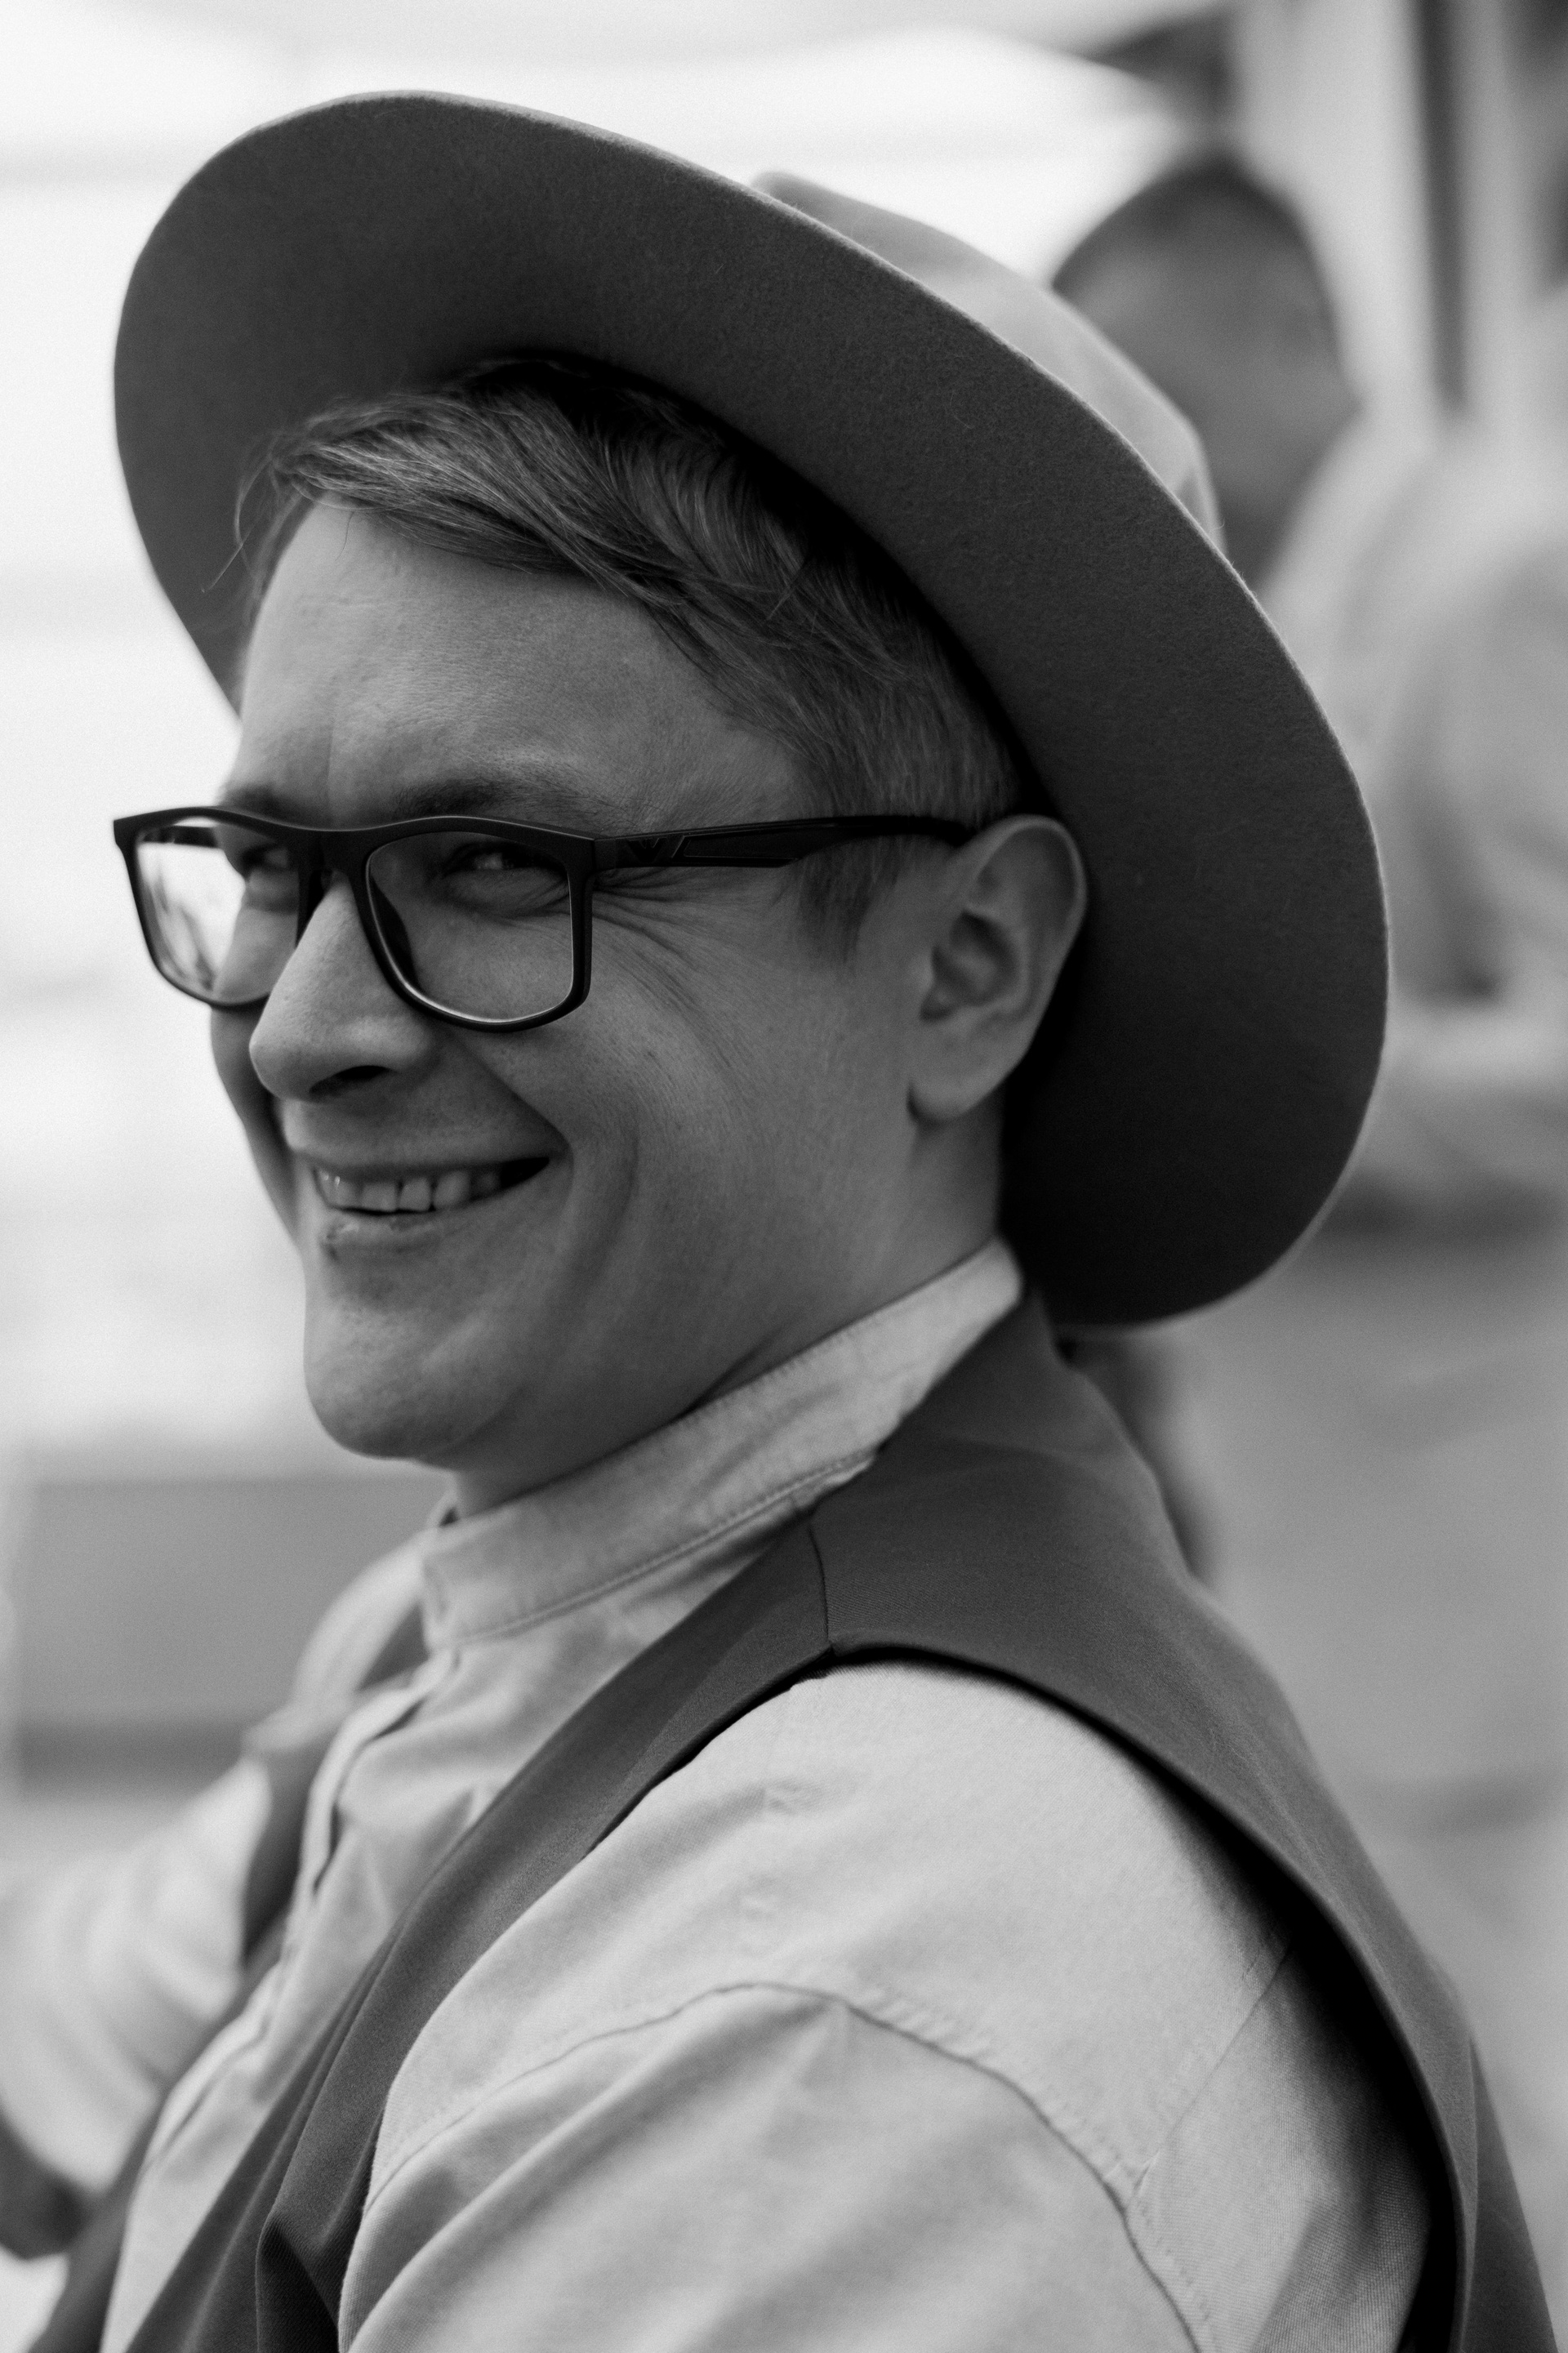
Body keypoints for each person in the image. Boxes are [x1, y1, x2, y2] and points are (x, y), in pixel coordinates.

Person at [0, 100, 1547, 2352]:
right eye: (268, 869)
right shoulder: (507, 1610)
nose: (301, 1027)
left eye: (495, 866)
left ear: (968, 969)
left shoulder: (829, 2005)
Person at [1058, 150, 1568, 2327]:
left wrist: (1267, 1088)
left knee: (1507, 2100)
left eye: (1158, 390)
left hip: (1457, 1522)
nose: (1143, 461)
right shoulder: (1315, 596)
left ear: (1292, 328)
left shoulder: (1499, 576)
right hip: (1325, 1507)